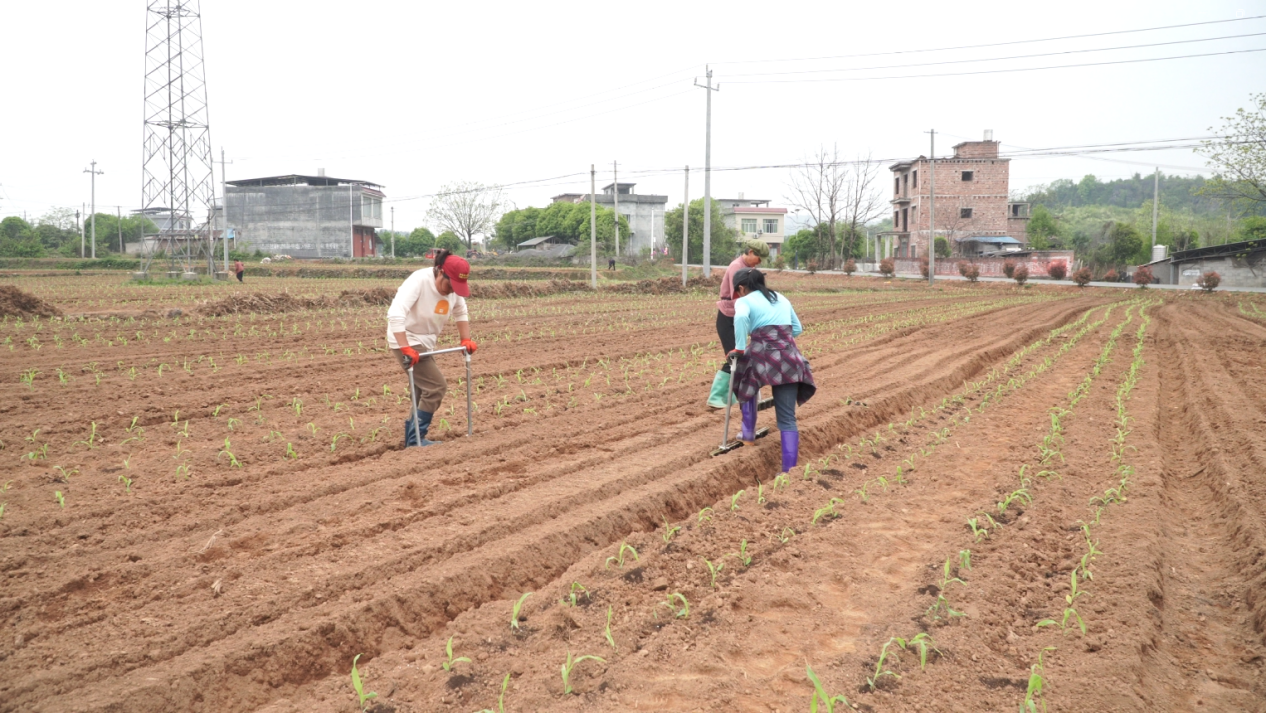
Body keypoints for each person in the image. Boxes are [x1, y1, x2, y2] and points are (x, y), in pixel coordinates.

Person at [386, 249, 478, 447]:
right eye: (449, 285)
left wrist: (465, 339)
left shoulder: (453, 289)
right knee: (436, 387)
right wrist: (405, 348)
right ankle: (415, 440)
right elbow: (395, 314)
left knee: (421, 390)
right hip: (406, 337)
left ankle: (412, 440)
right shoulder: (419, 281)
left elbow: (460, 311)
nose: (451, 291)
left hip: (426, 341)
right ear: (440, 272)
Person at [728, 267, 814, 473]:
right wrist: (779, 339)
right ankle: (789, 470)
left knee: (746, 382)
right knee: (787, 418)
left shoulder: (744, 301)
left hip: (761, 354)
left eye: (737, 291)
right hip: (789, 356)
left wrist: (740, 347)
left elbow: (740, 318)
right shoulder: (781, 298)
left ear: (741, 288)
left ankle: (748, 434)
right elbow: (797, 328)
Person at [707, 239, 769, 408]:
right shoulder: (737, 267)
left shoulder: (750, 269)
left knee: (743, 358)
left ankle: (736, 396)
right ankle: (715, 397)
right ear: (751, 252)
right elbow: (739, 296)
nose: (759, 262)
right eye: (759, 258)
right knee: (734, 358)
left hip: (740, 316)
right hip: (728, 317)